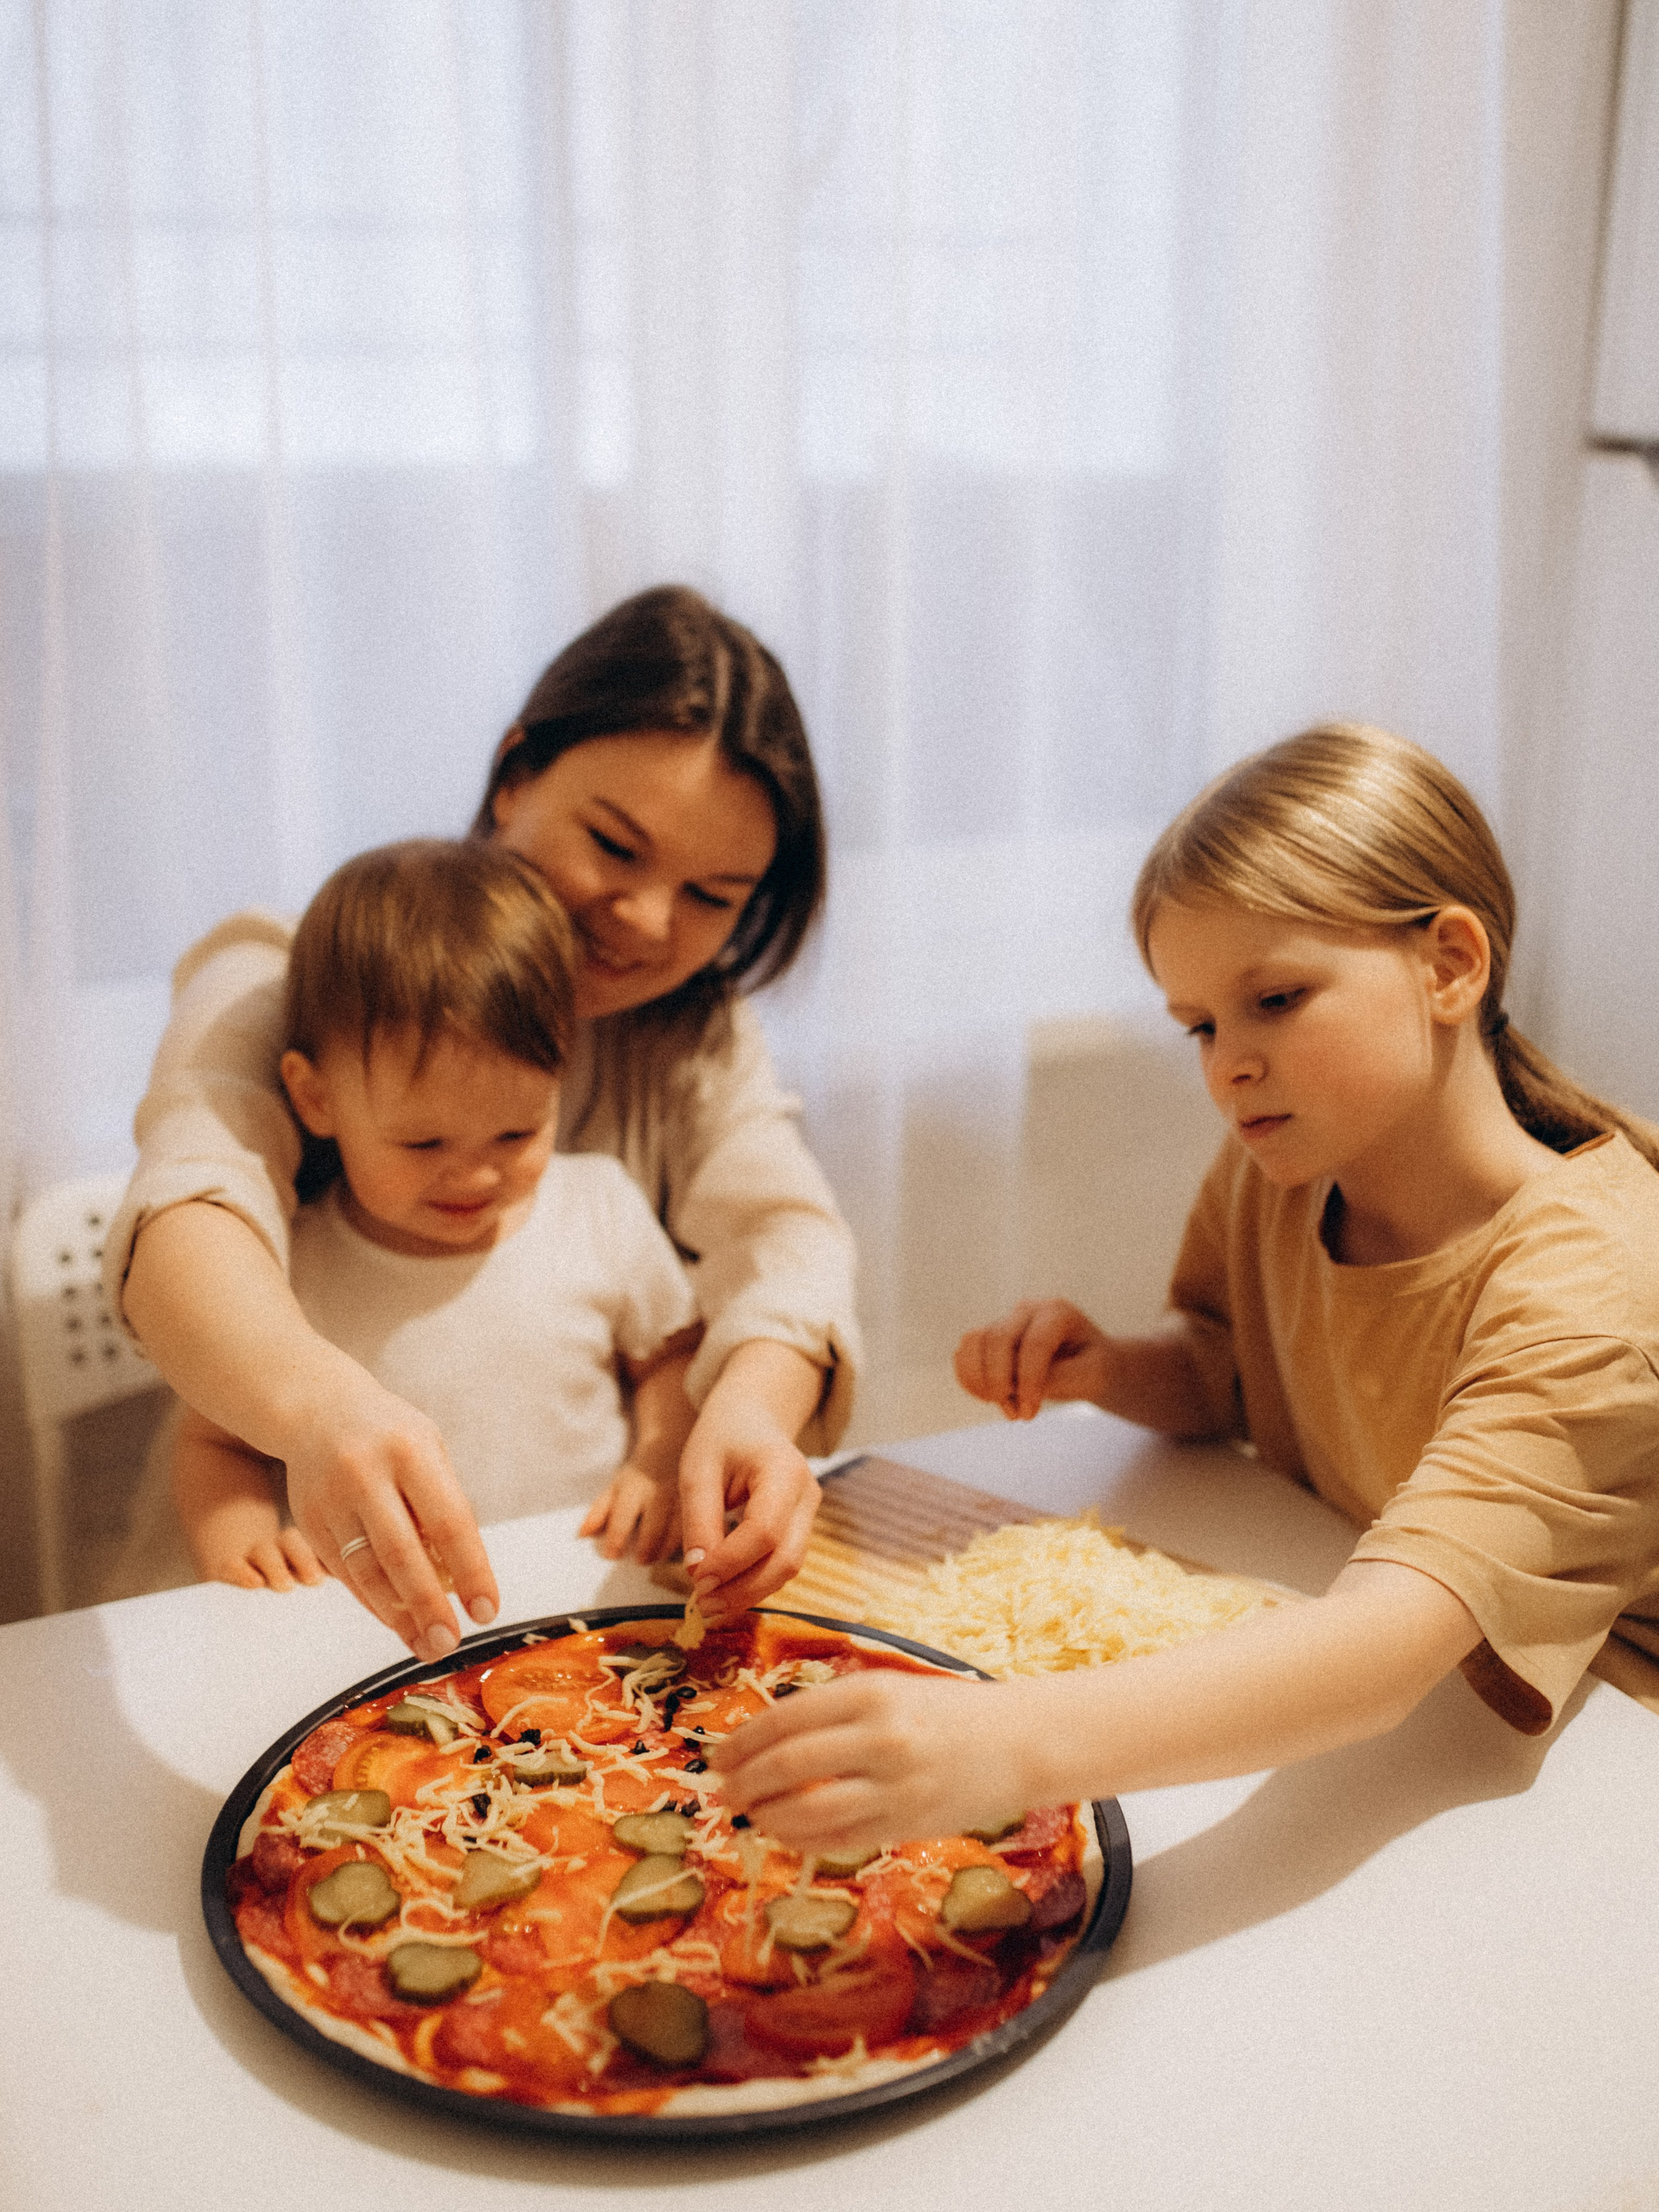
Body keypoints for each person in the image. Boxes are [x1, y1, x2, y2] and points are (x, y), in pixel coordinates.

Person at [710, 723, 1659, 1852]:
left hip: (1603, 1772)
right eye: (1200, 1025)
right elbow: (1231, 1372)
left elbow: (1387, 1649)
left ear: (1450, 964)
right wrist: (1115, 1368)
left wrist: (1005, 1741)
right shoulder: (1286, 1171)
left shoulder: (1596, 1281)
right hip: (1421, 1724)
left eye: (1277, 999)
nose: (1229, 1064)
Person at [106, 586, 858, 1661]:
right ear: (514, 775)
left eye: (713, 895)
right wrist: (317, 1411)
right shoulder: (302, 972)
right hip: (263, 1618)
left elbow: (787, 1237)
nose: (649, 921)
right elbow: (190, 1203)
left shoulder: (690, 1031)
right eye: (615, 844)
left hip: (538, 1611)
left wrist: (747, 1410)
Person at [111, 839, 701, 1597]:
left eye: (517, 1132)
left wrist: (662, 1455)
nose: (478, 1175)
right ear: (315, 1097)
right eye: (424, 1142)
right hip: (377, 1619)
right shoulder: (284, 1265)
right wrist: (245, 1544)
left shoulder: (600, 1207)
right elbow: (216, 1443)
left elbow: (669, 1359)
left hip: (580, 1591)